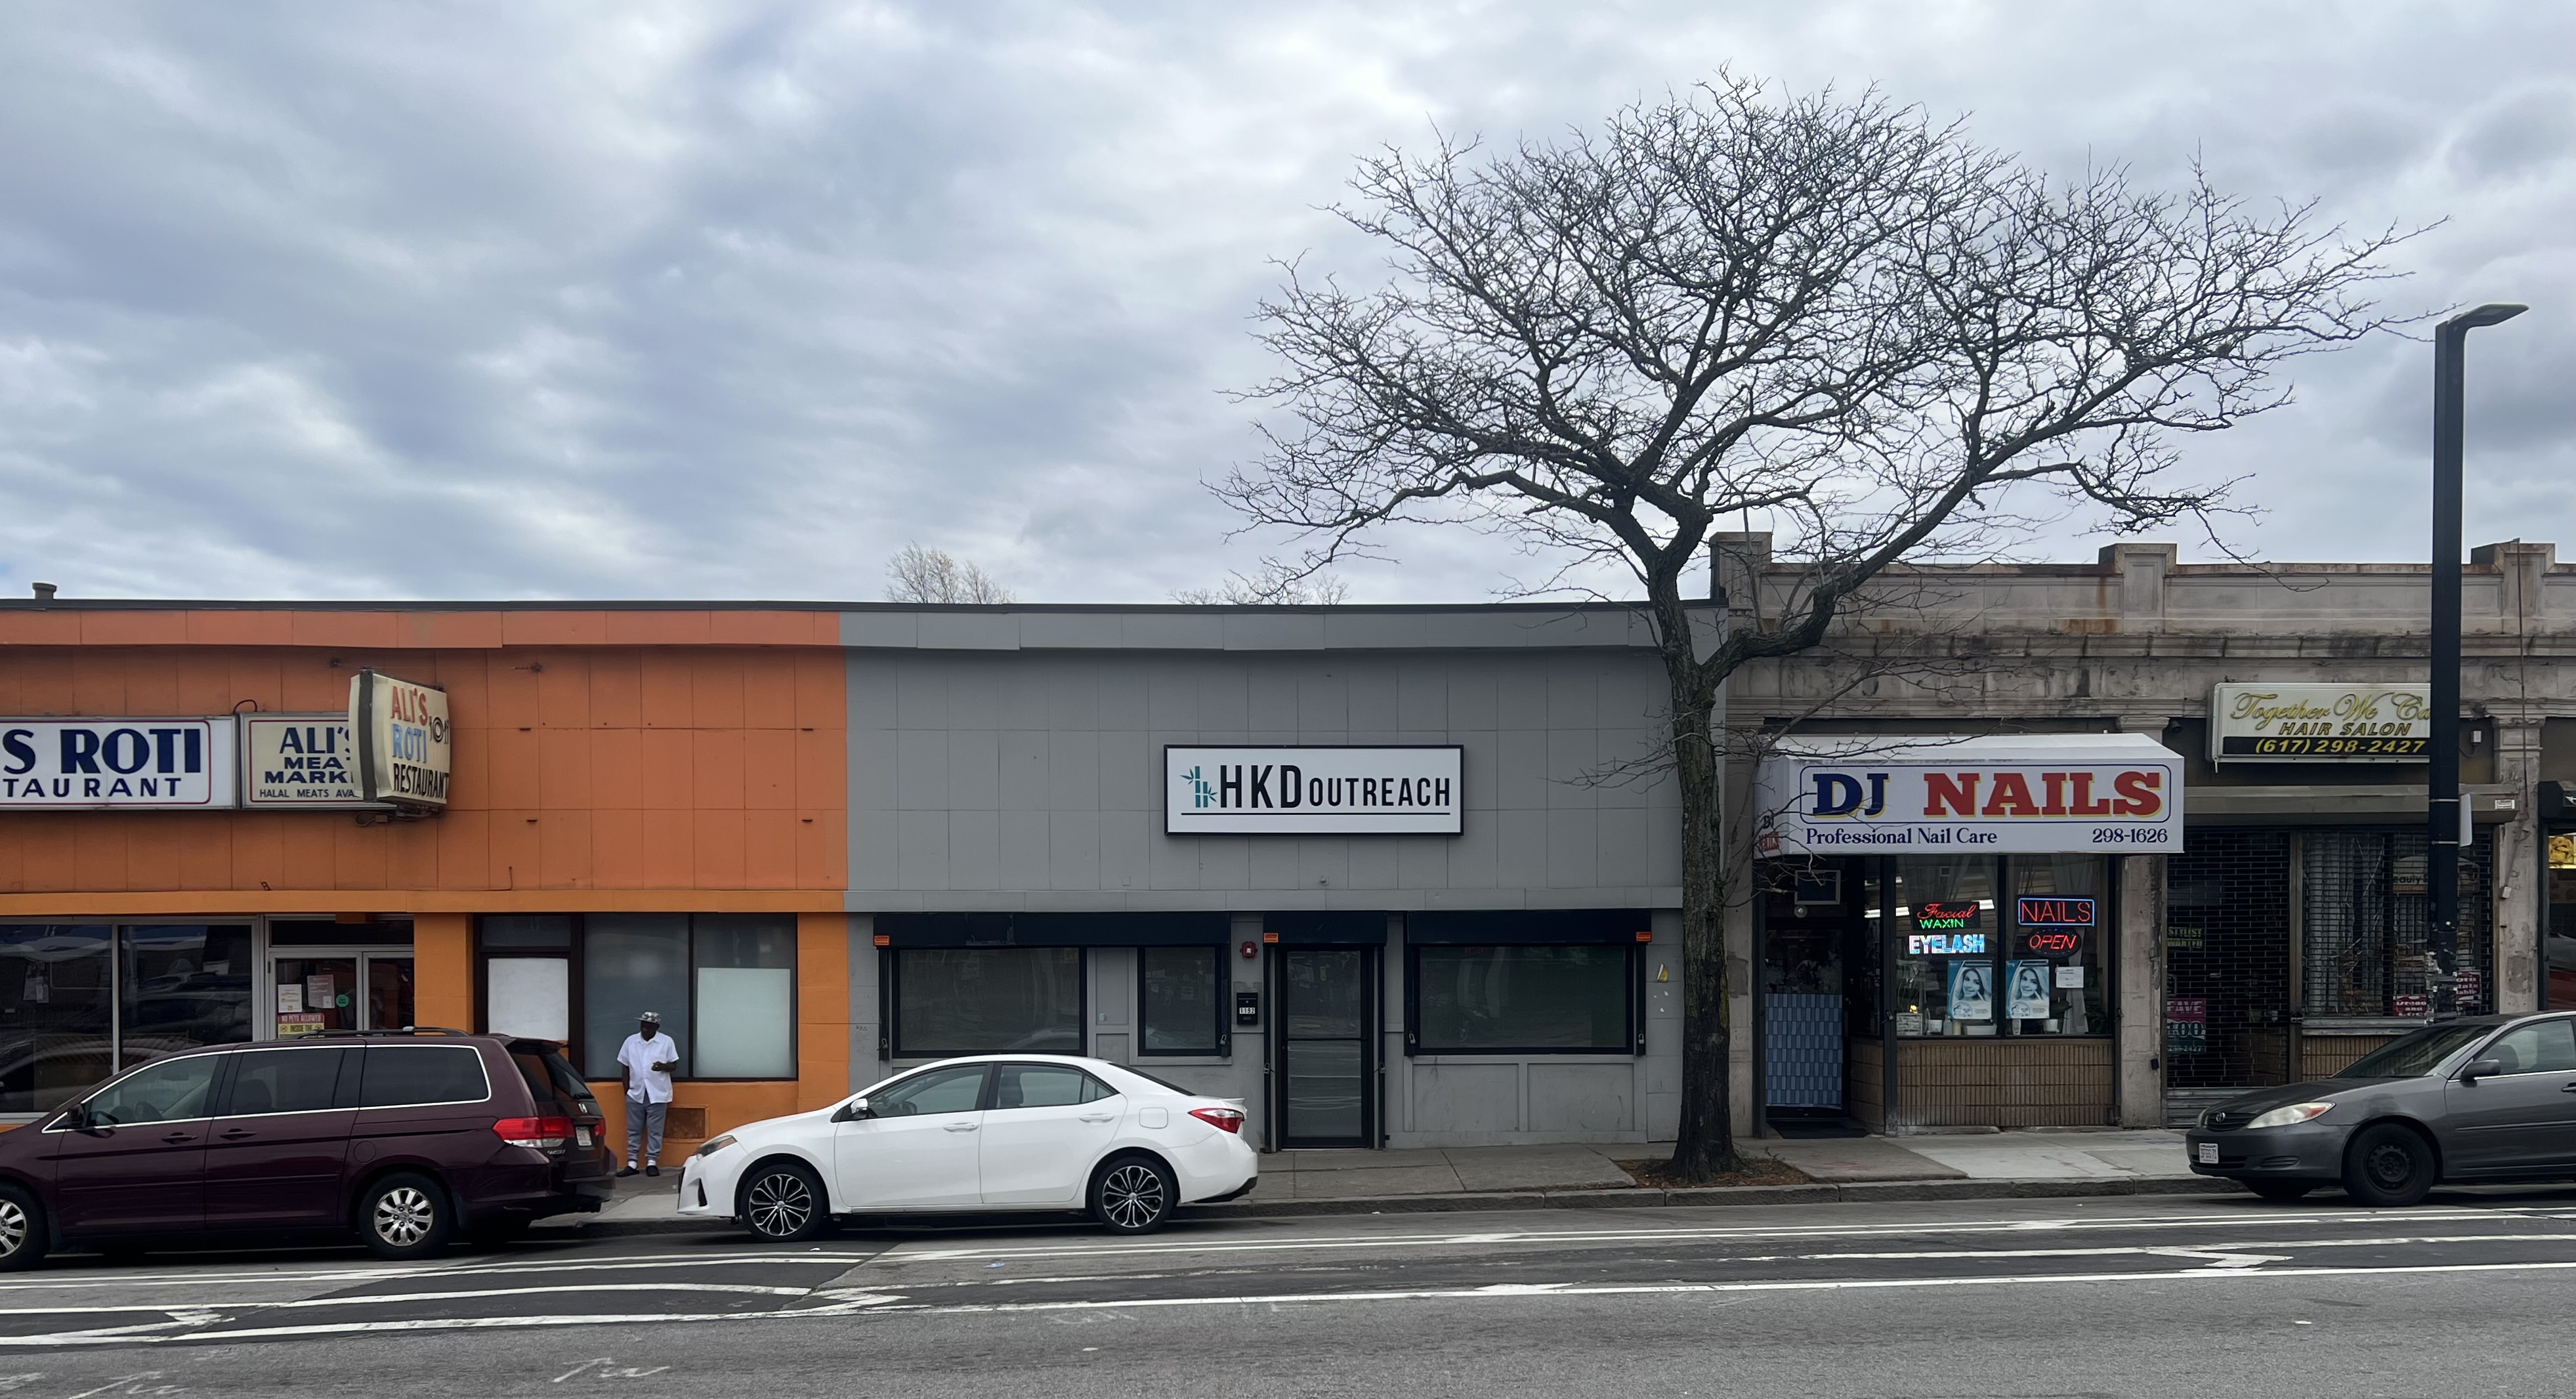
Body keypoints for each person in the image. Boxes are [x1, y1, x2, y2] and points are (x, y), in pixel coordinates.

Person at [616, 1011, 681, 1177]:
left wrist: (663, 1066)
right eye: (643, 1024)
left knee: (655, 1130)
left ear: (656, 1027)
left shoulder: (666, 1042)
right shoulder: (631, 1042)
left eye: (649, 1025)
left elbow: (674, 1065)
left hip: (657, 1093)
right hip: (636, 1093)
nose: (645, 1027)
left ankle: (652, 1162)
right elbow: (625, 1067)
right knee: (633, 1129)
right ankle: (632, 1163)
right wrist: (627, 1091)